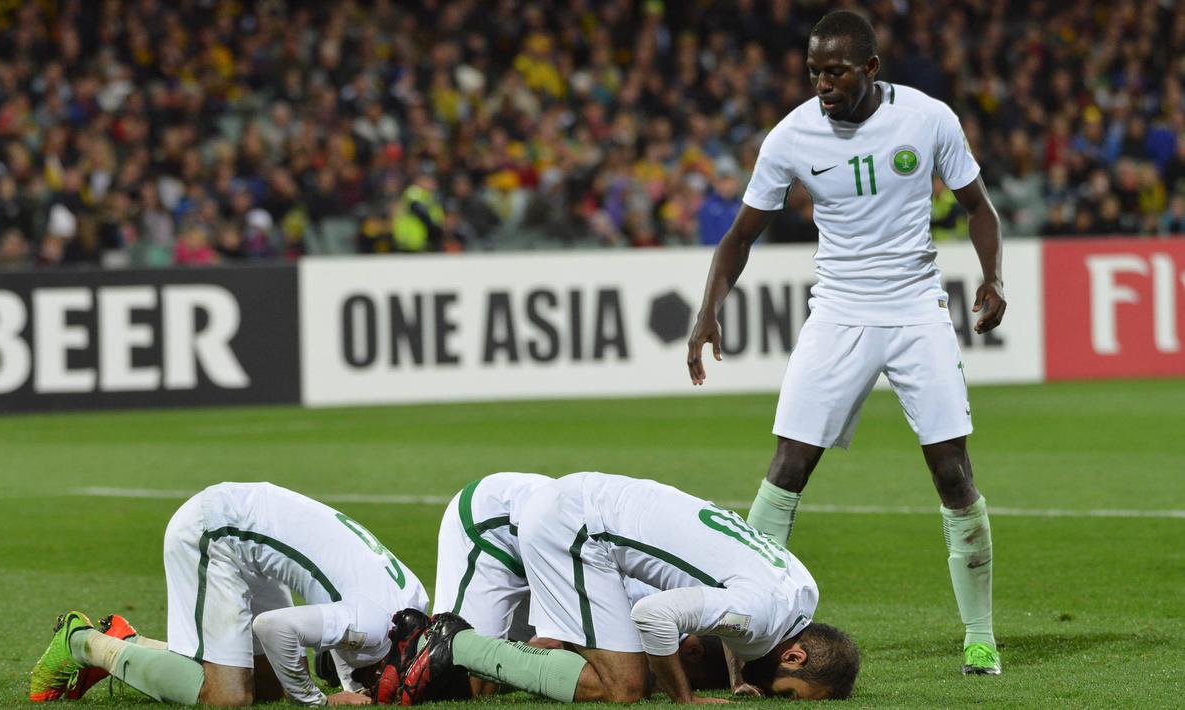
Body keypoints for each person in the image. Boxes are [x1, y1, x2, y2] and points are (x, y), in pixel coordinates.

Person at [685, 10, 1005, 676]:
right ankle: (747, 638)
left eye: (834, 71)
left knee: (951, 473)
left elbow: (977, 206)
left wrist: (991, 277)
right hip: (837, 313)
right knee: (786, 471)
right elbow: (740, 236)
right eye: (813, 72)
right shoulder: (791, 135)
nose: (822, 84)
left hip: (916, 309)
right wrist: (707, 311)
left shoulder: (927, 118)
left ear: (869, 70)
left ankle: (979, 634)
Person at [404, 472, 859, 704]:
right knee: (624, 686)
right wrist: (686, 698)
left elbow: (742, 616)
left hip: (582, 513)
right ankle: (455, 644)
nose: (773, 700)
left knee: (484, 688)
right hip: (568, 527)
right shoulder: (760, 615)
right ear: (794, 656)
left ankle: (437, 650)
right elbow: (653, 616)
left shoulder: (801, 591)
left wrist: (741, 676)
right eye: (786, 695)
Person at [28, 482, 428, 706]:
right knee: (229, 699)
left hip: (251, 536)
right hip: (215, 532)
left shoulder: (414, 603)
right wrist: (318, 703)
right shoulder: (375, 623)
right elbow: (275, 628)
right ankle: (84, 642)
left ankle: (131, 643)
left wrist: (336, 687)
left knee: (269, 691)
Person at [431, 472, 729, 697]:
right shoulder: (643, 607)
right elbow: (548, 644)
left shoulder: (675, 604)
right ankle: (414, 643)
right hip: (495, 526)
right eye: (691, 680)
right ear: (693, 651)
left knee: (491, 680)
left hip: (550, 535)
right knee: (458, 681)